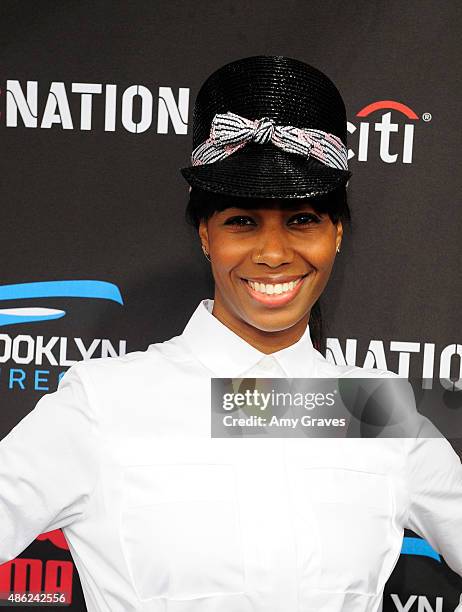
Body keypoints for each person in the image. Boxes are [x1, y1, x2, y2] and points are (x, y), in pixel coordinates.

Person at [0, 55, 461, 612]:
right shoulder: (105, 402)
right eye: (242, 221)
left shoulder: (373, 409)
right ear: (205, 235)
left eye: (302, 219)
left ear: (336, 233)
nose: (272, 253)